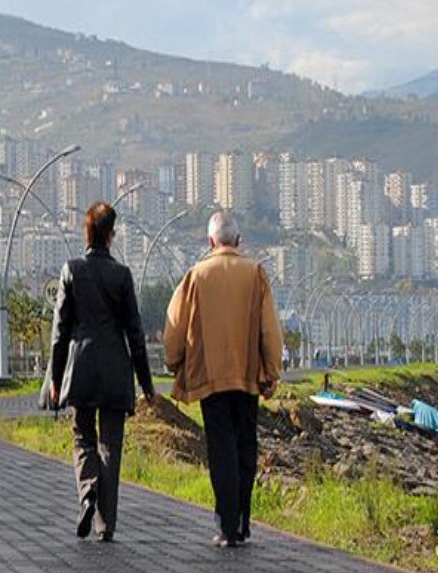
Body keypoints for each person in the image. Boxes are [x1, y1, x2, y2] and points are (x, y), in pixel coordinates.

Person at [164, 211, 283, 547]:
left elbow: (174, 325)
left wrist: (175, 363)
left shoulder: (196, 275)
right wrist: (271, 371)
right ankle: (243, 520)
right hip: (247, 379)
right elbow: (270, 330)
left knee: (221, 450)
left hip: (210, 379)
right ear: (238, 241)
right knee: (246, 447)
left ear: (210, 242)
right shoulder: (256, 273)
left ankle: (226, 526)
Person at [49, 202, 155, 542]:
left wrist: (54, 378)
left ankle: (87, 492)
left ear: (87, 233)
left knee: (83, 438)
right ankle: (105, 524)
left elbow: (59, 333)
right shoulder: (122, 276)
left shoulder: (71, 270)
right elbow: (135, 334)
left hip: (80, 368)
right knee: (111, 445)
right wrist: (146, 383)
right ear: (111, 235)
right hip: (114, 371)